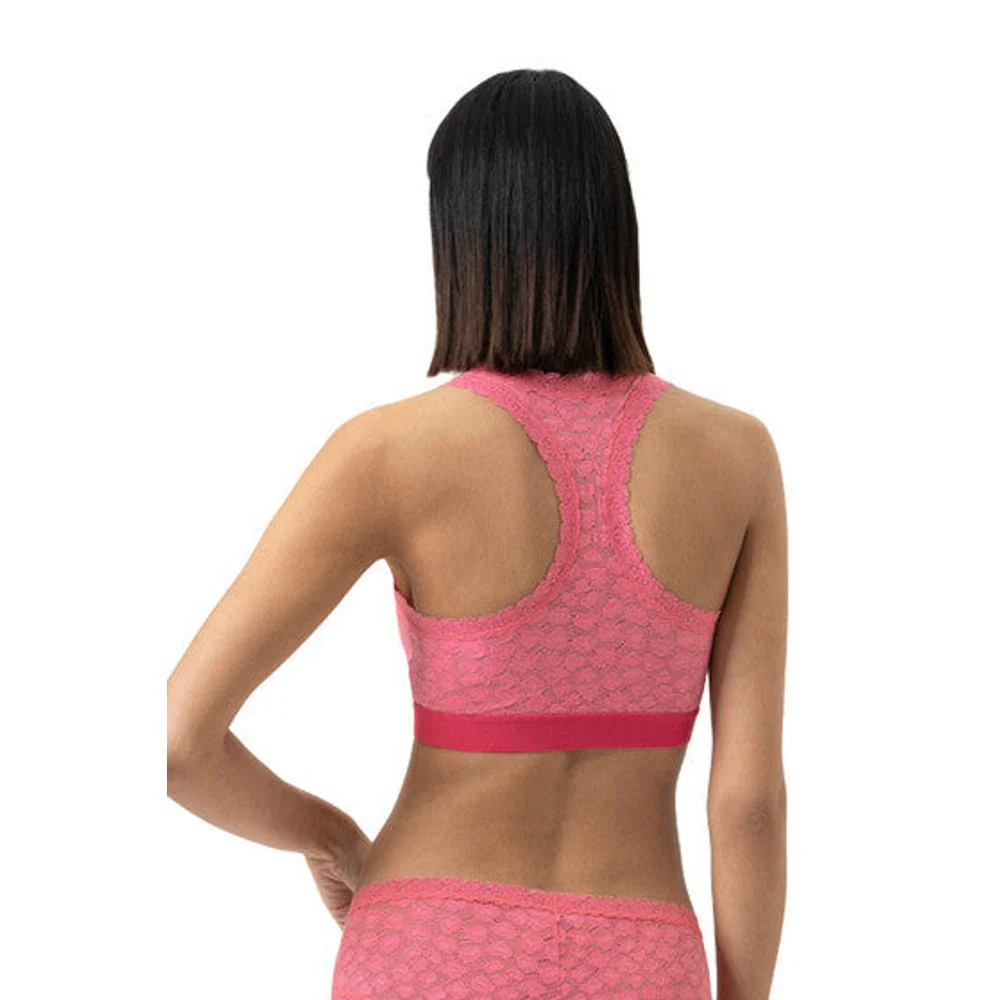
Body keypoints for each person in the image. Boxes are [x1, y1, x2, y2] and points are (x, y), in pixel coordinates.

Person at [167, 68, 788, 1000]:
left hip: (427, 942)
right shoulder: (736, 458)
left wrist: (331, 838)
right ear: (613, 226)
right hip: (641, 958)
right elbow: (747, 805)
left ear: (459, 237)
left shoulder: (388, 452)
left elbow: (179, 743)